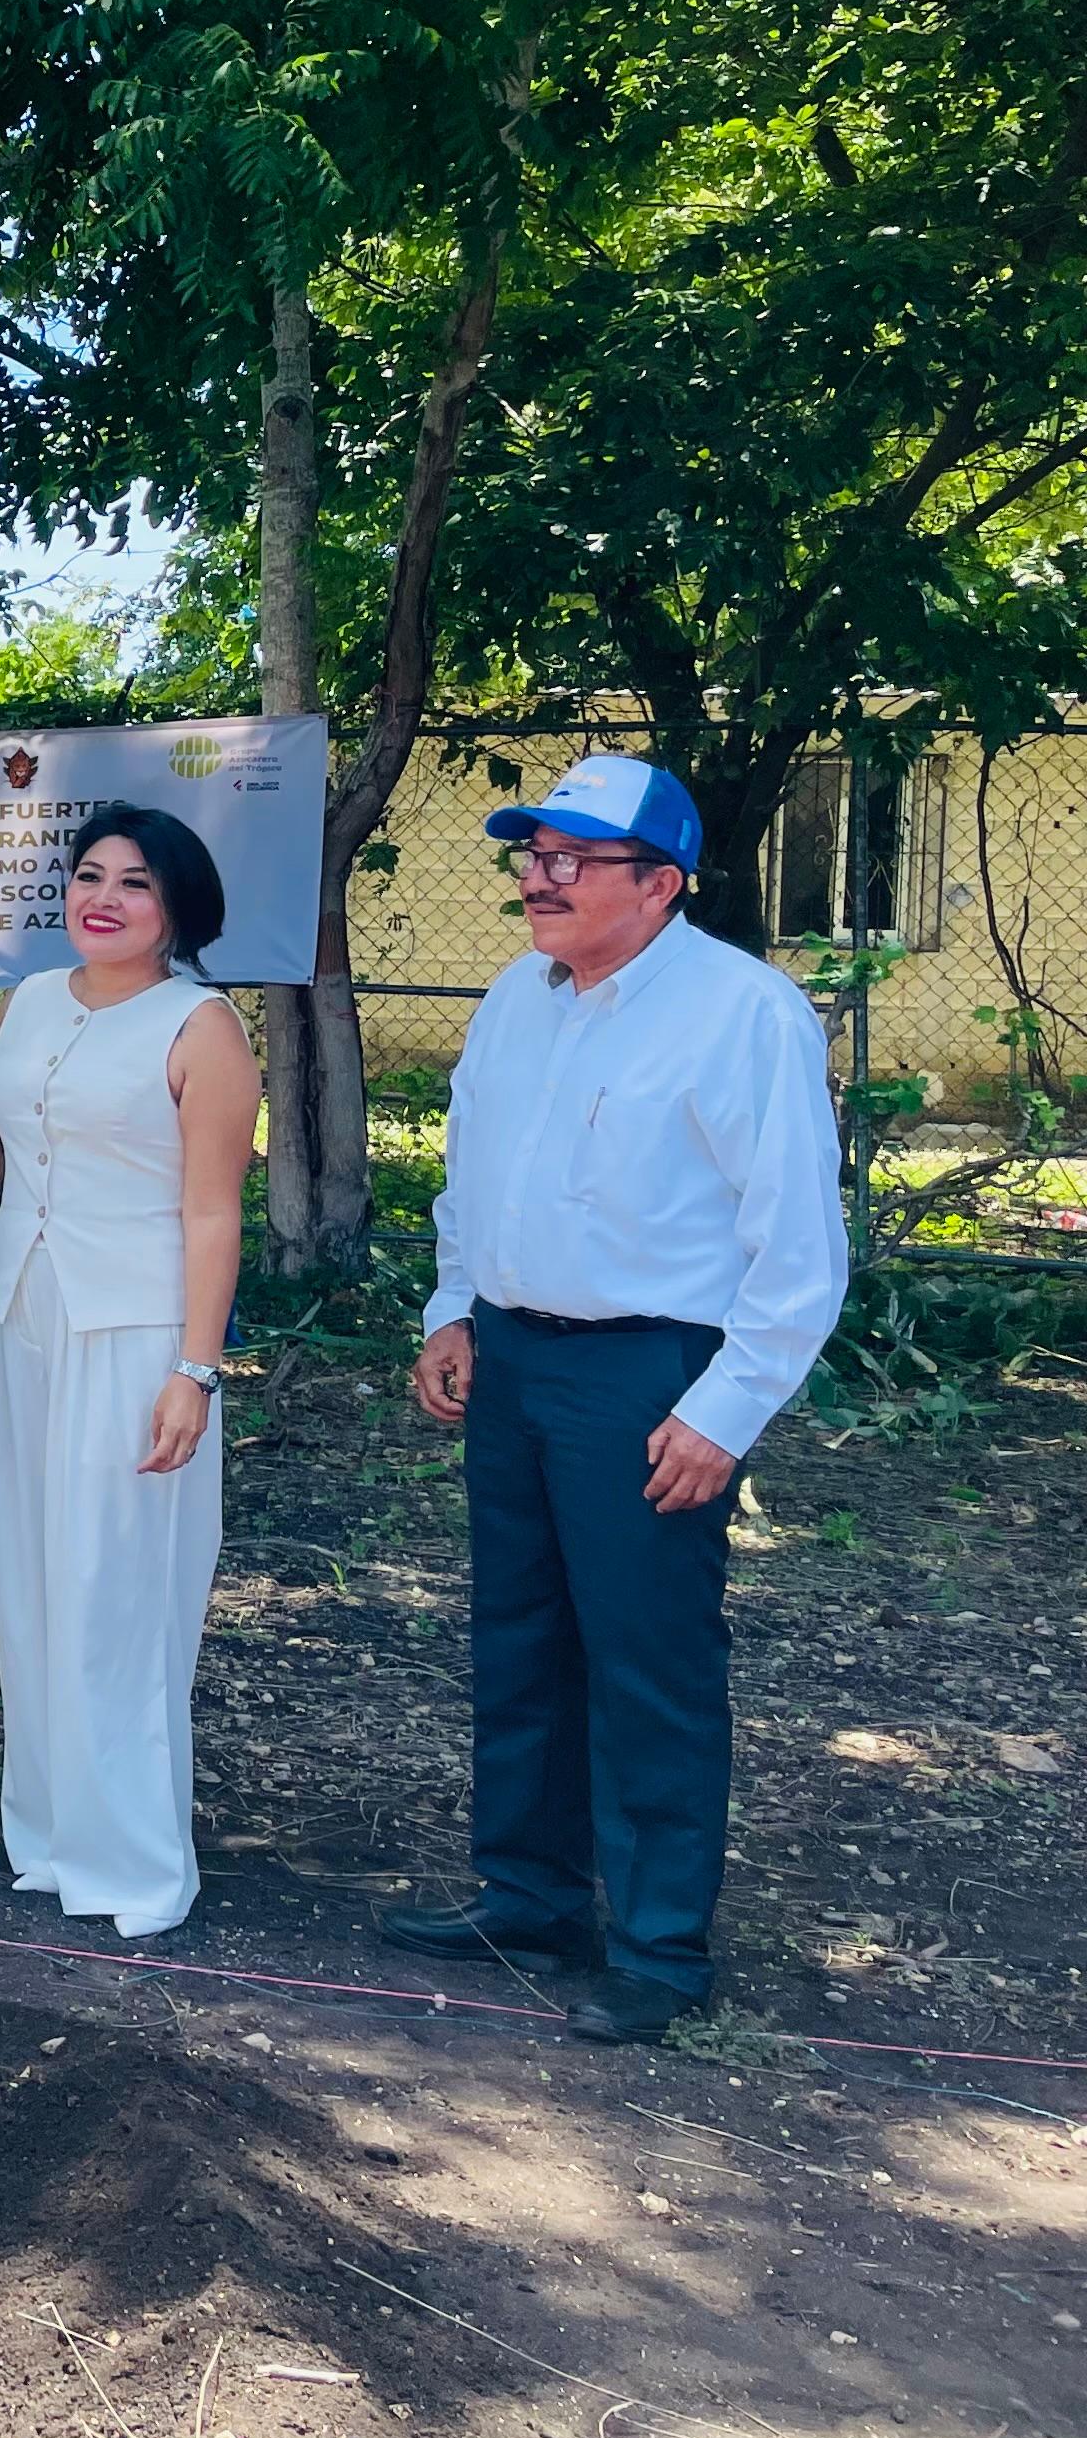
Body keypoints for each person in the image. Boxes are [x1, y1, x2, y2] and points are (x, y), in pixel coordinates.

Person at [384, 754, 846, 2046]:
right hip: (518, 1358)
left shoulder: (742, 1014)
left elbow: (799, 1245)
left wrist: (724, 1410)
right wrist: (453, 1307)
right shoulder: (515, 1002)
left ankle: (657, 1946)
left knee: (649, 1660)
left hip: (654, 1372)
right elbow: (472, 1173)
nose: (538, 877)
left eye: (570, 858)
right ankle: (530, 1895)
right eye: (532, 853)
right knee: (520, 1636)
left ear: (660, 884)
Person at [0, 804, 260, 1938]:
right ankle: (49, 1837)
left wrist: (197, 1365)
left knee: (119, 1592)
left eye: (136, 883)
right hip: (24, 1318)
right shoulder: (30, 999)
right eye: (90, 875)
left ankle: (133, 1864)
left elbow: (212, 1210)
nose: (106, 898)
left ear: (177, 906)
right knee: (34, 1578)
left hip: (139, 1335)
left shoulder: (203, 1026)